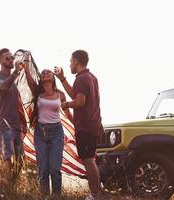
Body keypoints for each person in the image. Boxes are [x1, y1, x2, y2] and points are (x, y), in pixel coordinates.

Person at [54, 50, 103, 200]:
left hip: (85, 126)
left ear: (76, 61)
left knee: (88, 159)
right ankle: (96, 193)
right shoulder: (90, 77)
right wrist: (62, 79)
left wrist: (66, 104)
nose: (70, 64)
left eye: (70, 61)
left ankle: (96, 194)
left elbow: (79, 102)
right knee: (90, 158)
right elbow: (77, 94)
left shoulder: (81, 79)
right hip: (93, 124)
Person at [23, 52, 72, 197]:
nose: (45, 73)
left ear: (53, 77)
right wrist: (26, 59)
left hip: (56, 132)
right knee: (43, 169)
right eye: (43, 72)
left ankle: (56, 196)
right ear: (41, 77)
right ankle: (44, 196)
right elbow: (27, 73)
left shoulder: (60, 94)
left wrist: (75, 125)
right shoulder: (37, 91)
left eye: (48, 72)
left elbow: (68, 113)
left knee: (55, 168)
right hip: (40, 132)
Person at [0, 48, 27, 187]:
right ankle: (4, 191)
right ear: (0, 60)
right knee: (8, 158)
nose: (11, 60)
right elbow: (3, 88)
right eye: (7, 58)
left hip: (16, 124)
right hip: (3, 124)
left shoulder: (13, 81)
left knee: (20, 160)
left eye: (12, 58)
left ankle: (9, 187)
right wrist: (16, 73)